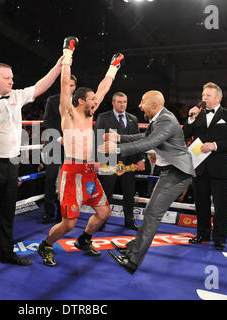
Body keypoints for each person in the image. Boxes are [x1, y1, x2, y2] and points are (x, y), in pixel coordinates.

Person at [0, 54, 64, 284]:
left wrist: (59, 65)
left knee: (8, 212)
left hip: (11, 163)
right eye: (7, 77)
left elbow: (40, 86)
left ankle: (7, 254)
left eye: (12, 77)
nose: (12, 81)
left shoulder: (16, 97)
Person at [37, 36, 123, 267]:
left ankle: (84, 240)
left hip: (89, 173)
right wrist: (68, 53)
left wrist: (113, 68)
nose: (96, 102)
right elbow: (65, 84)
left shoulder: (89, 113)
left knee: (104, 213)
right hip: (72, 173)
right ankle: (45, 245)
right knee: (69, 223)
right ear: (81, 101)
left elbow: (104, 88)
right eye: (92, 99)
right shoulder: (69, 113)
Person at [98, 90, 194, 274]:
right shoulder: (159, 118)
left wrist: (117, 147)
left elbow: (149, 143)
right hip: (170, 171)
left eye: (143, 102)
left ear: (154, 105)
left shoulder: (165, 119)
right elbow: (145, 137)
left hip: (178, 173)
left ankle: (133, 261)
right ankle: (133, 247)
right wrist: (120, 137)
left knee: (152, 215)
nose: (140, 105)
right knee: (150, 213)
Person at [183, 82, 227, 251]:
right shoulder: (198, 114)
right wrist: (190, 118)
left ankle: (219, 238)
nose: (204, 99)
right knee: (201, 204)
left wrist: (215, 145)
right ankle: (202, 234)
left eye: (207, 96)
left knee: (221, 206)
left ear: (218, 97)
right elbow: (185, 134)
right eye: (203, 95)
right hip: (200, 166)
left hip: (220, 168)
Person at [96, 92, 144, 231]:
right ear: (113, 103)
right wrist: (95, 160)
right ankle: (101, 220)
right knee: (107, 193)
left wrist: (141, 158)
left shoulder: (133, 119)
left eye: (124, 102)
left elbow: (138, 141)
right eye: (119, 102)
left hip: (129, 163)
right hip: (108, 162)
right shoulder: (103, 117)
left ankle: (129, 220)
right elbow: (97, 138)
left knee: (129, 194)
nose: (122, 104)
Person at [42, 74, 77, 223]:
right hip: (54, 144)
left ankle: (63, 212)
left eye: (72, 85)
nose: (69, 88)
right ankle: (48, 212)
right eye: (66, 85)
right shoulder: (52, 100)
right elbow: (47, 121)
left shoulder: (79, 102)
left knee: (69, 180)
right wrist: (59, 138)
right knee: (50, 179)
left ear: (75, 87)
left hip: (72, 146)